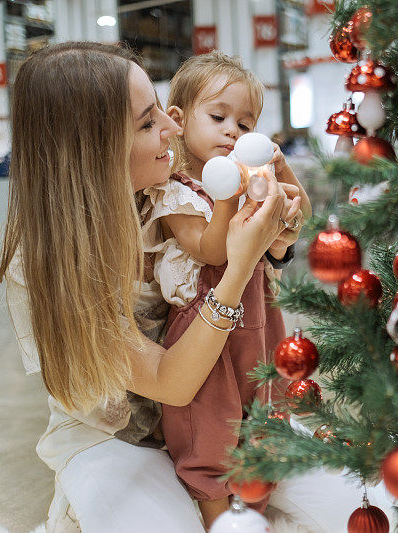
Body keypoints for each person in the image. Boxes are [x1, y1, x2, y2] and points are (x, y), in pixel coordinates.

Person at [0, 42, 302, 532]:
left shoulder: (168, 190)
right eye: (146, 122)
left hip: (219, 412)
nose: (174, 127)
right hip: (120, 437)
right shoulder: (45, 265)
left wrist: (279, 242)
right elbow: (171, 383)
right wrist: (239, 268)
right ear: (92, 149)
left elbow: (241, 264)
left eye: (161, 108)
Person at [141, 50, 311, 526]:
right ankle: (218, 517)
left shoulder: (249, 178)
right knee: (211, 429)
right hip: (204, 326)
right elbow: (212, 252)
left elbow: (293, 227)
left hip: (260, 317)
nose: (233, 131)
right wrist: (226, 197)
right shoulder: (173, 190)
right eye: (218, 117)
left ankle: (254, 508)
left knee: (266, 411)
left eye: (246, 122)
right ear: (178, 119)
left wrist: (281, 175)